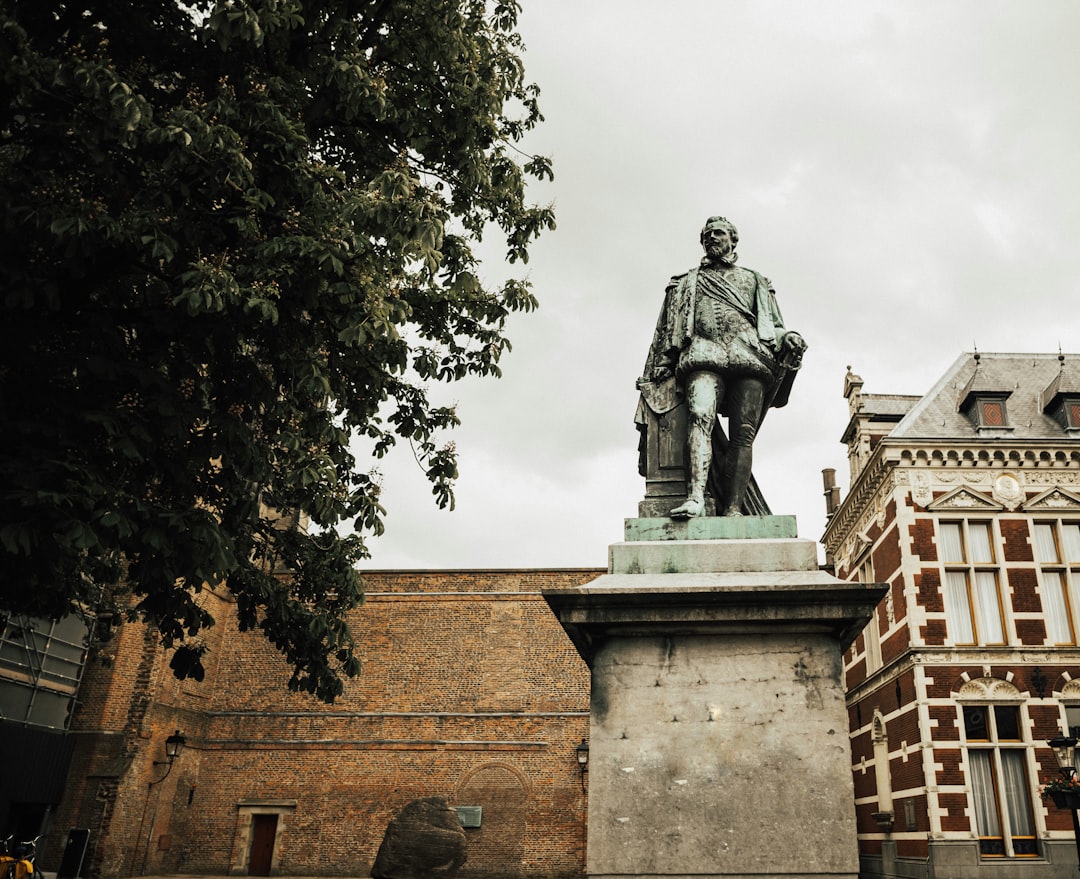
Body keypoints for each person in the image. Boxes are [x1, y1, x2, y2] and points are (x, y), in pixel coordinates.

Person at [637, 216, 806, 518]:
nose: (711, 238)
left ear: (733, 239)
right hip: (704, 353)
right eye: (707, 235)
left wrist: (790, 337)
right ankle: (696, 498)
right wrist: (663, 362)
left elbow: (774, 327)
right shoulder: (687, 282)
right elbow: (666, 328)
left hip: (749, 357)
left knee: (744, 433)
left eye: (718, 233)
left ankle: (733, 508)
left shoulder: (755, 280)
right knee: (700, 415)